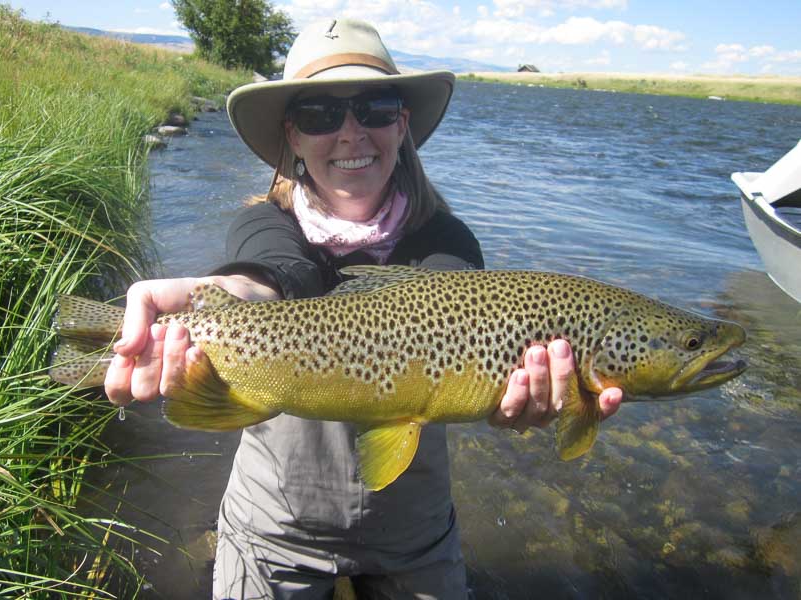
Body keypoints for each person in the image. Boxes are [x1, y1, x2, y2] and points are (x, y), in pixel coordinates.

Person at [105, 18, 623, 600]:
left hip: (414, 534)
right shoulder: (263, 224)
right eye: (320, 114)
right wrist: (223, 299)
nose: (351, 133)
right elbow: (272, 275)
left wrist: (530, 391)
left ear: (401, 125)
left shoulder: (446, 242)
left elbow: (450, 298)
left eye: (374, 108)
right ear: (292, 137)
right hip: (275, 526)